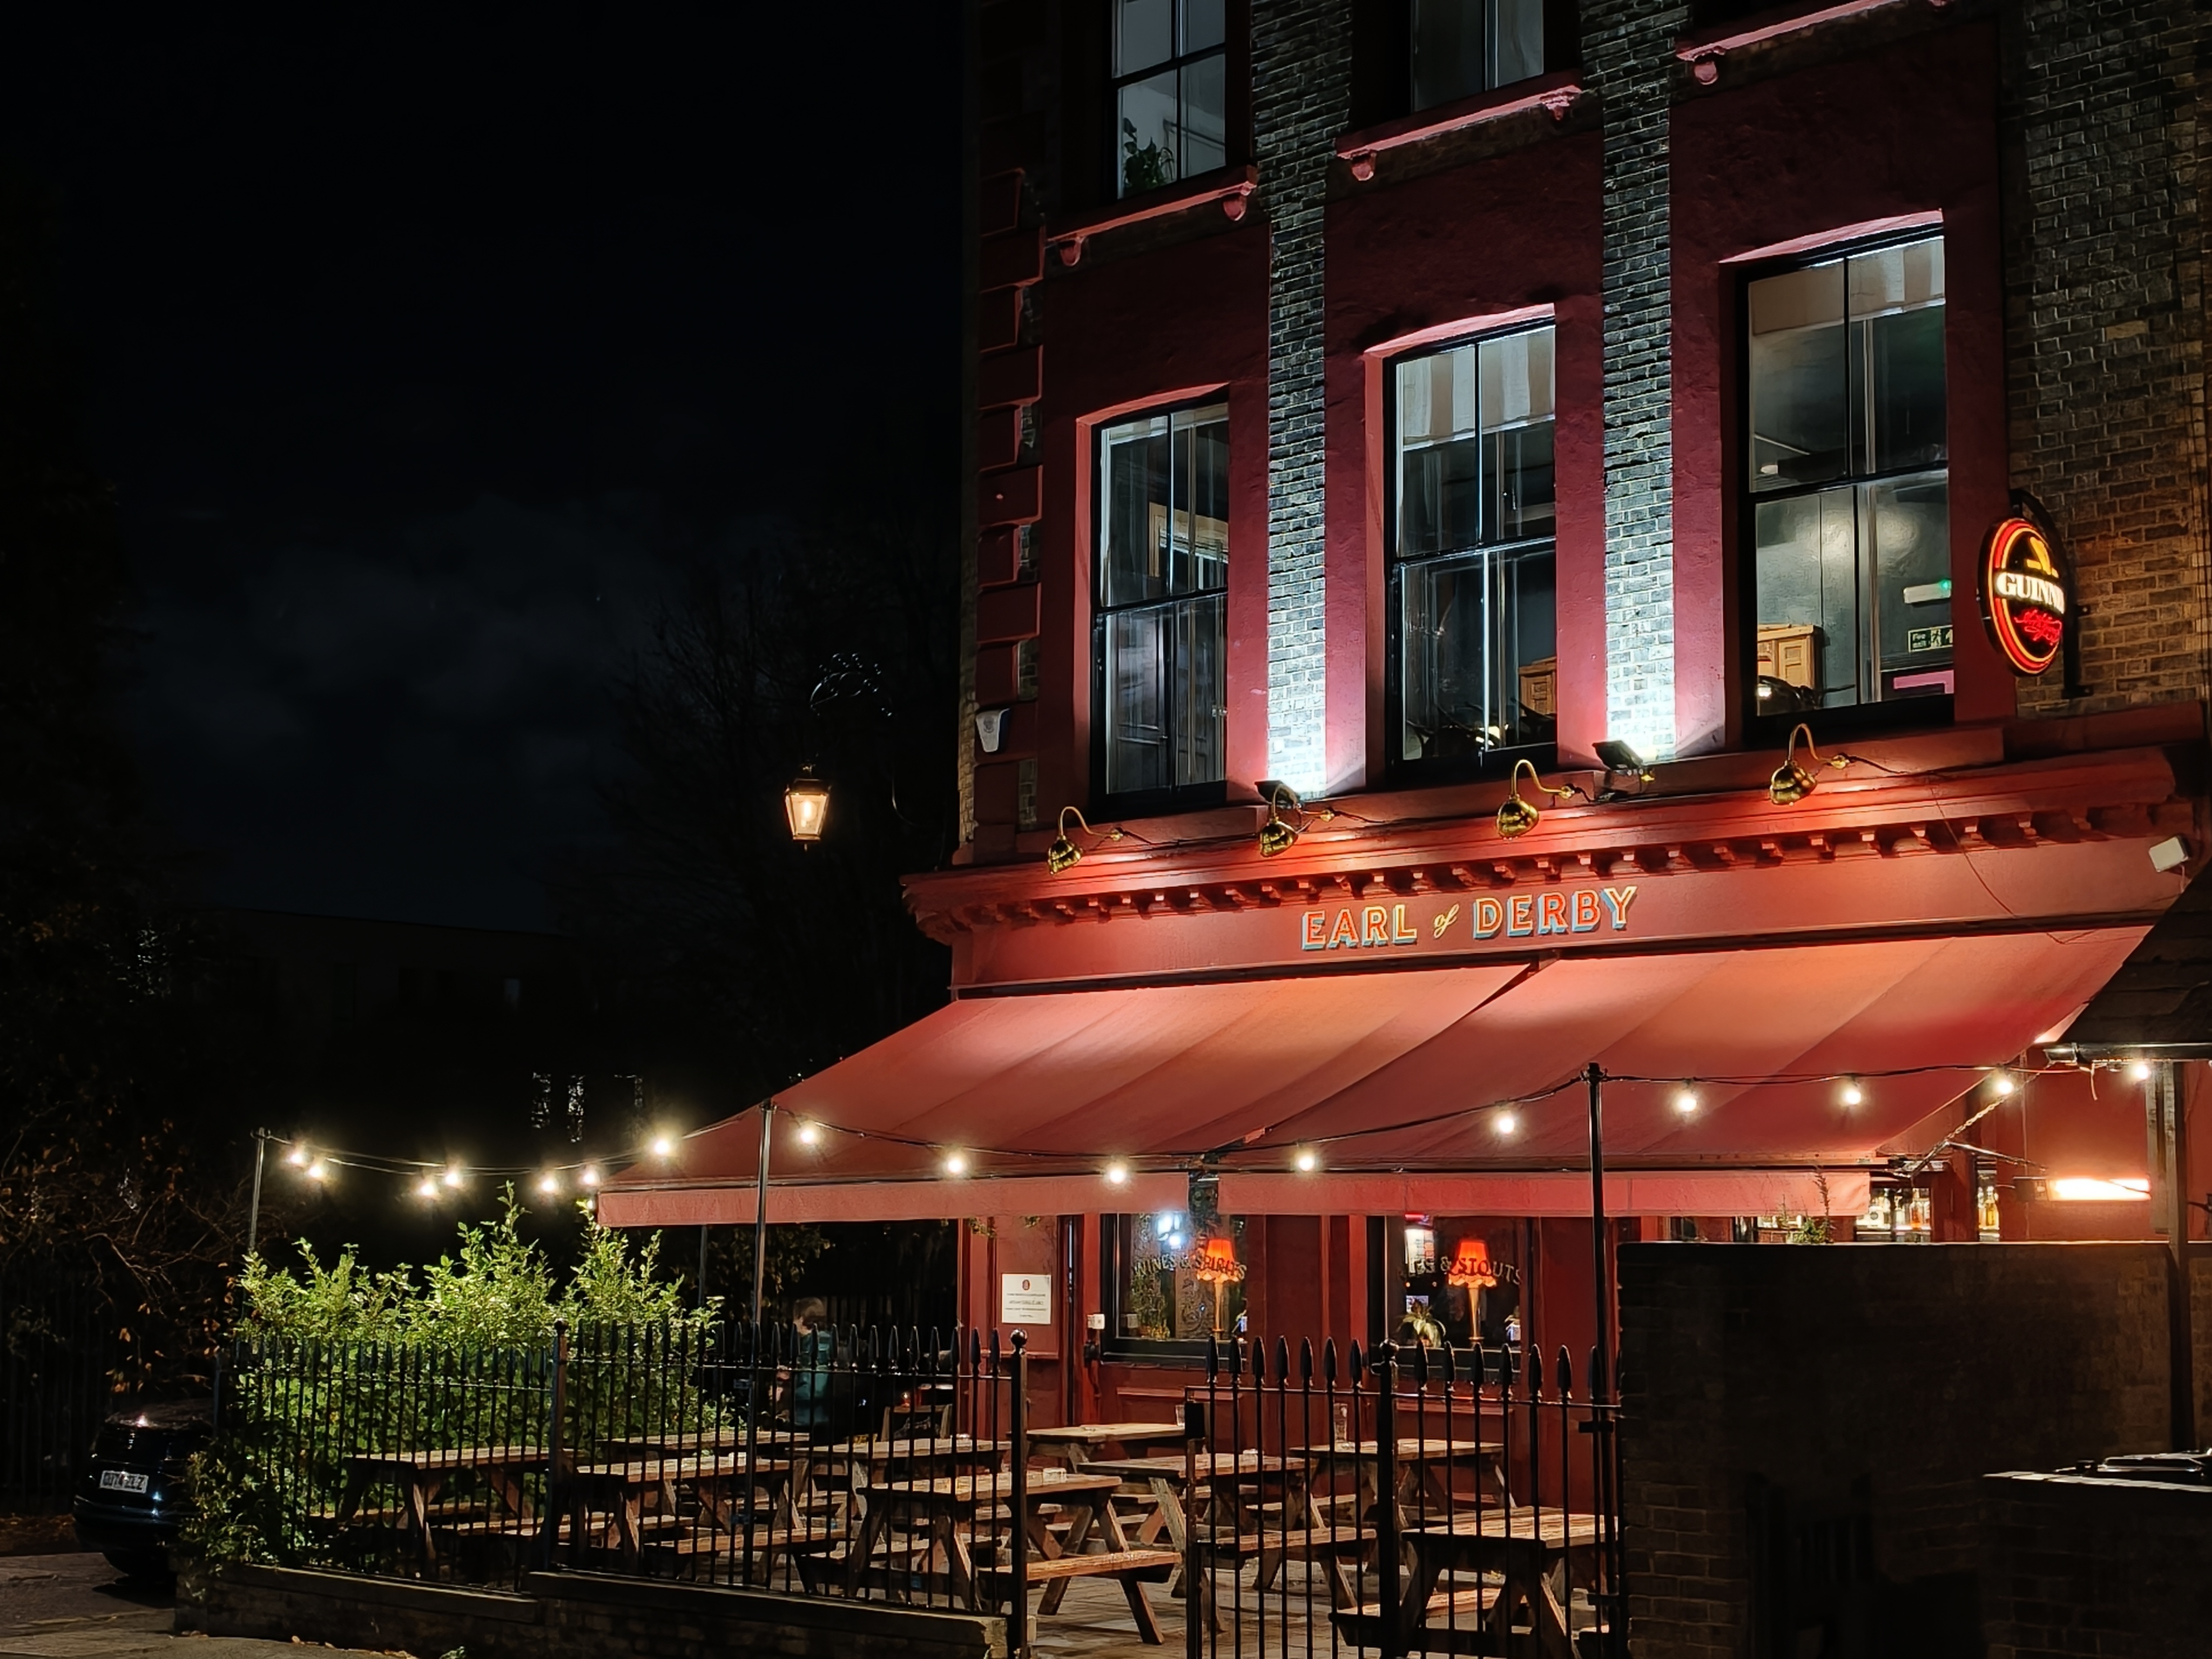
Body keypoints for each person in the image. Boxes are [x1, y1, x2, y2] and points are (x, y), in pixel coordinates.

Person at [787, 1297, 839, 1442]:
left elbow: (815, 1387)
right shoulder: (817, 1343)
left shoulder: (818, 1345)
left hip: (811, 1418)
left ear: (802, 1318)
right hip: (817, 1417)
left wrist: (787, 1393)